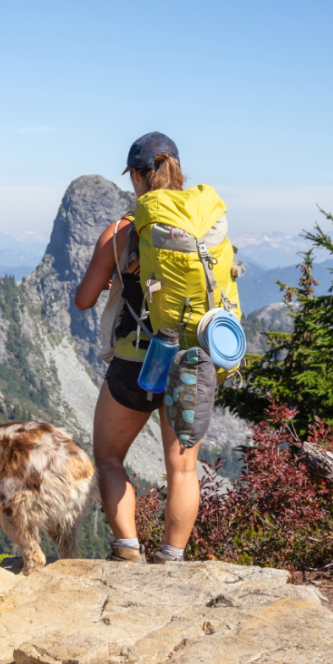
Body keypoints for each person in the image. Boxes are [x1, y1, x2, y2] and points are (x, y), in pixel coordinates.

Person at [75, 131, 202, 564]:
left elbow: (84, 300)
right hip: (189, 361)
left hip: (136, 360)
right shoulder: (203, 228)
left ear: (136, 176)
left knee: (108, 457)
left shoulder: (121, 231)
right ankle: (172, 558)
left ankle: (127, 547)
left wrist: (118, 275)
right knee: (182, 468)